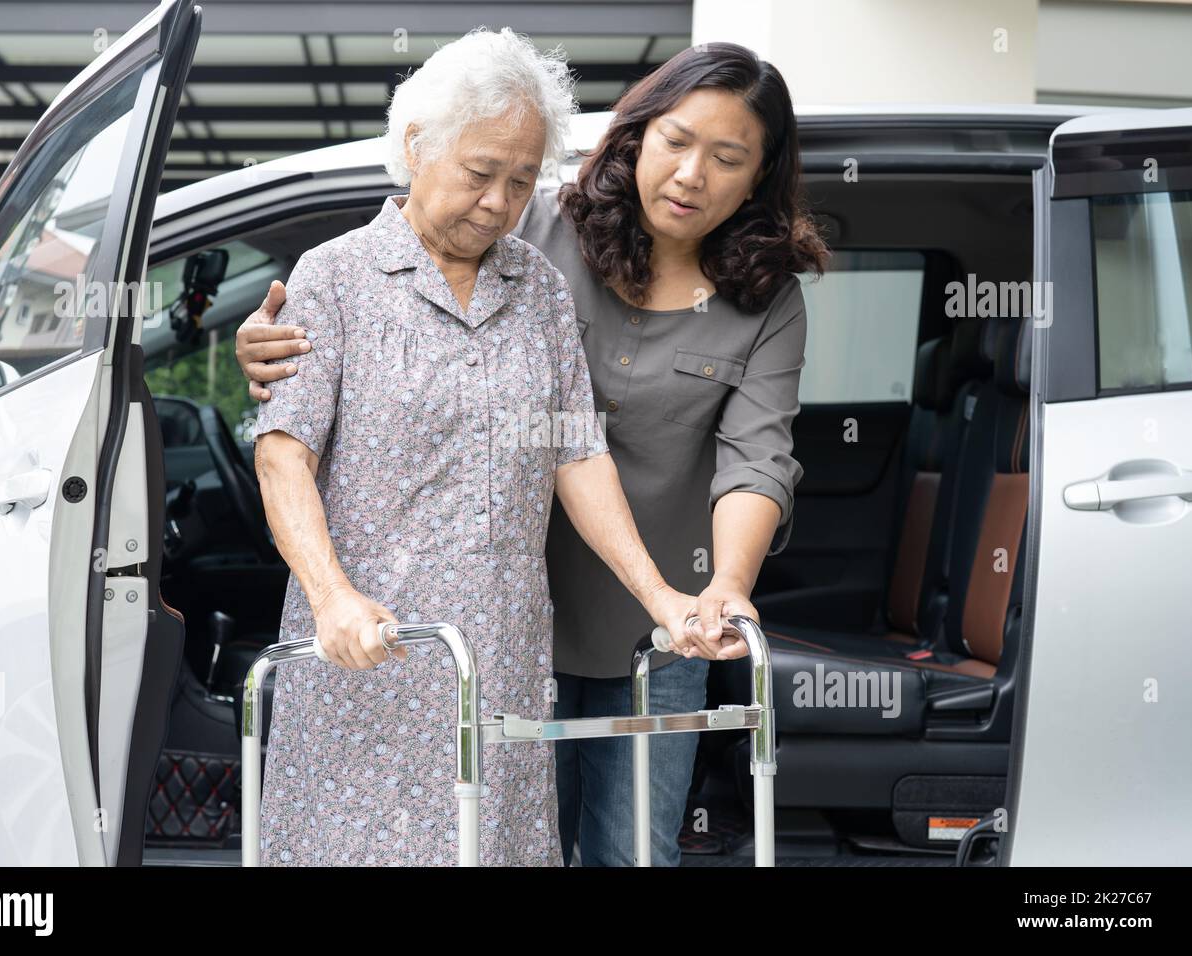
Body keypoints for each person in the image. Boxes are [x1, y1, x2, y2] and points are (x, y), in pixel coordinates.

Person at [240, 41, 827, 866]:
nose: (497, 201)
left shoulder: (535, 282)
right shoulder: (338, 275)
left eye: (520, 180)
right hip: (374, 650)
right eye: (481, 172)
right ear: (415, 145)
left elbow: (583, 453)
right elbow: (282, 454)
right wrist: (332, 595)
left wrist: (675, 593)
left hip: (516, 653)